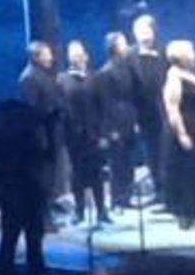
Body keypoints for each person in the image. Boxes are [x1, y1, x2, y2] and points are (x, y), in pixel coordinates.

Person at [0, 97, 50, 275]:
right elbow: (42, 158)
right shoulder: (28, 136)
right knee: (33, 242)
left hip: (9, 193)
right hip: (29, 193)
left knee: (8, 240)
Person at [162, 40, 195, 229]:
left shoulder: (192, 74)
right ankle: (184, 213)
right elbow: (173, 108)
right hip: (185, 127)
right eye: (191, 51)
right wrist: (182, 134)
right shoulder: (174, 76)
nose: (194, 54)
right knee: (184, 172)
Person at [58, 40, 111, 226]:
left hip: (94, 135)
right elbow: (61, 108)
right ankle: (79, 210)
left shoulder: (95, 78)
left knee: (97, 174)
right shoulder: (62, 79)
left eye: (80, 54)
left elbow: (103, 108)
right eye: (73, 55)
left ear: (86, 56)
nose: (77, 58)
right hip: (74, 136)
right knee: (77, 175)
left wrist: (103, 134)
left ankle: (101, 211)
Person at [18, 41, 62, 224]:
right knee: (42, 179)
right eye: (46, 54)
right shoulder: (29, 78)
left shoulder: (44, 75)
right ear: (36, 57)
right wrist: (51, 112)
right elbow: (32, 110)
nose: (50, 58)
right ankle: (43, 218)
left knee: (51, 177)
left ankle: (48, 213)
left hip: (51, 133)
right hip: (40, 136)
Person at [95, 31, 138, 213]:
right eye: (123, 44)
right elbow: (105, 104)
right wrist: (109, 129)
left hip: (128, 118)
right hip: (115, 122)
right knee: (117, 163)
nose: (127, 47)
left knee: (129, 162)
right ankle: (117, 199)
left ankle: (126, 197)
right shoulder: (106, 72)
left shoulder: (127, 68)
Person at [128, 14, 167, 202]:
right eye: (140, 31)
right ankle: (159, 190)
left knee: (166, 150)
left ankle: (169, 190)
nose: (145, 35)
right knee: (152, 152)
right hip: (144, 113)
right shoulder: (129, 55)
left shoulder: (164, 51)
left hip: (165, 111)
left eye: (147, 30)